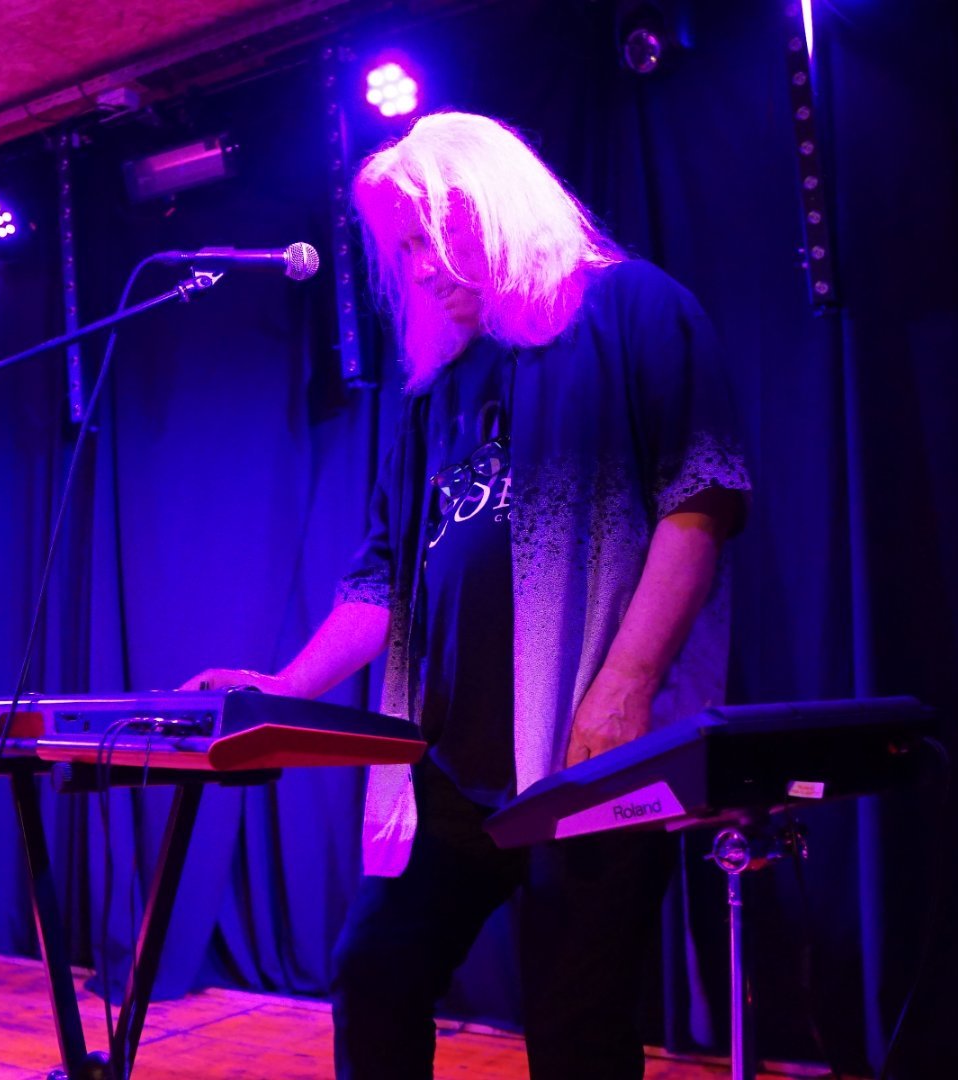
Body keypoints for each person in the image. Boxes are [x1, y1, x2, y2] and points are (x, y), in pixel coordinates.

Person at [186, 112, 750, 1078]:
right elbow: (379, 582)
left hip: (590, 752)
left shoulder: (636, 309)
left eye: (428, 236)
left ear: (493, 205)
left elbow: (700, 502)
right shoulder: (436, 392)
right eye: (401, 249)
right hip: (450, 765)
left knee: (576, 1028)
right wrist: (282, 690)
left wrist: (624, 687)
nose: (417, 268)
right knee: (375, 970)